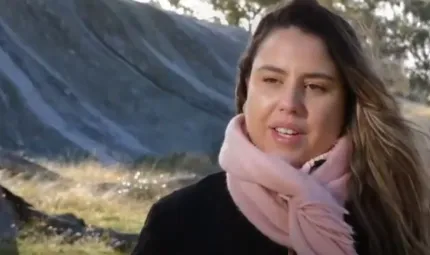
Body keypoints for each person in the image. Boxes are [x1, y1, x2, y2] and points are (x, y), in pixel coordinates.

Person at [131, 0, 430, 254]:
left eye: (315, 86)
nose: (290, 103)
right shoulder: (178, 222)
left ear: (348, 103)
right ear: (247, 90)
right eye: (272, 81)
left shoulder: (394, 224)